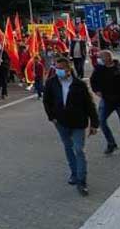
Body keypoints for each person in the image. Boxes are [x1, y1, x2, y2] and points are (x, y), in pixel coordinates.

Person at [43, 58, 100, 196]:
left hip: (78, 122)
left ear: (69, 69)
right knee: (68, 147)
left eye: (61, 68)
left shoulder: (79, 84)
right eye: (57, 68)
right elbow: (47, 101)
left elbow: (89, 104)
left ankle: (82, 180)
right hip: (61, 123)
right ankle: (74, 173)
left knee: (79, 149)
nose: (58, 71)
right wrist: (52, 117)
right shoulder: (51, 83)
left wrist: (94, 123)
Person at [90, 50, 120, 161]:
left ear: (107, 58)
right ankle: (111, 143)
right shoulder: (99, 69)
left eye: (100, 57)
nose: (98, 59)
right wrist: (96, 90)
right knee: (100, 121)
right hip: (107, 100)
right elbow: (93, 81)